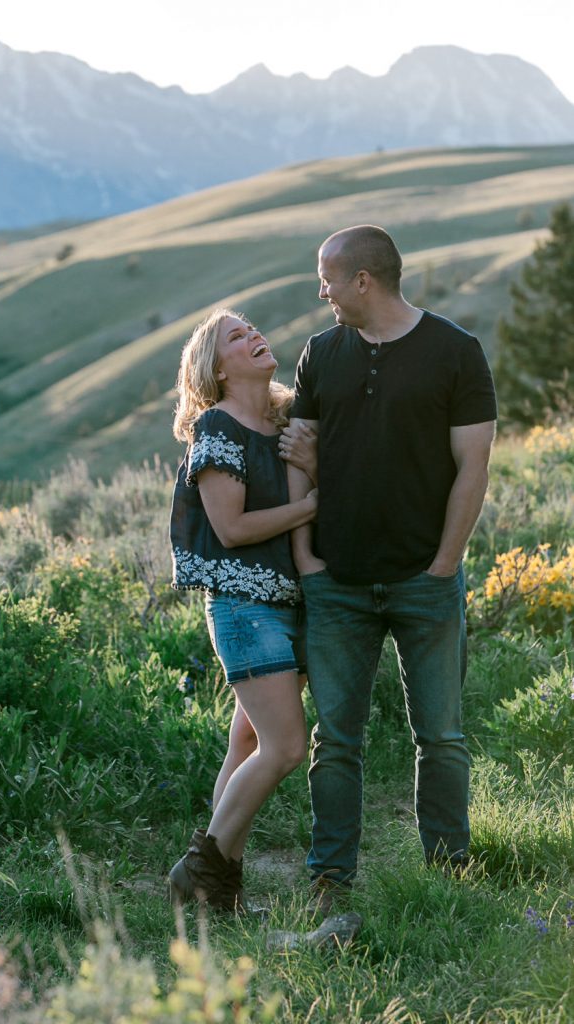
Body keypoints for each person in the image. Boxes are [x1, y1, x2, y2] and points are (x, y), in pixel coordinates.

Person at [280, 225, 497, 912]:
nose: (321, 291)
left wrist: (443, 563)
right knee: (334, 741)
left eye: (327, 279)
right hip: (336, 581)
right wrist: (307, 559)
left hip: (423, 581)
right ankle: (329, 881)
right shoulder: (319, 354)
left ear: (363, 281)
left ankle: (447, 877)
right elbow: (299, 454)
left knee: (440, 736)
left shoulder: (455, 353)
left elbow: (473, 467)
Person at [168, 307, 317, 912]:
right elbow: (230, 528)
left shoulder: (285, 420)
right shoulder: (218, 428)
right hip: (244, 605)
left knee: (247, 742)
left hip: (293, 602)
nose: (254, 335)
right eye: (237, 336)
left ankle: (216, 885)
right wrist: (314, 505)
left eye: (253, 327)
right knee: (284, 748)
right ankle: (199, 873)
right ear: (217, 368)